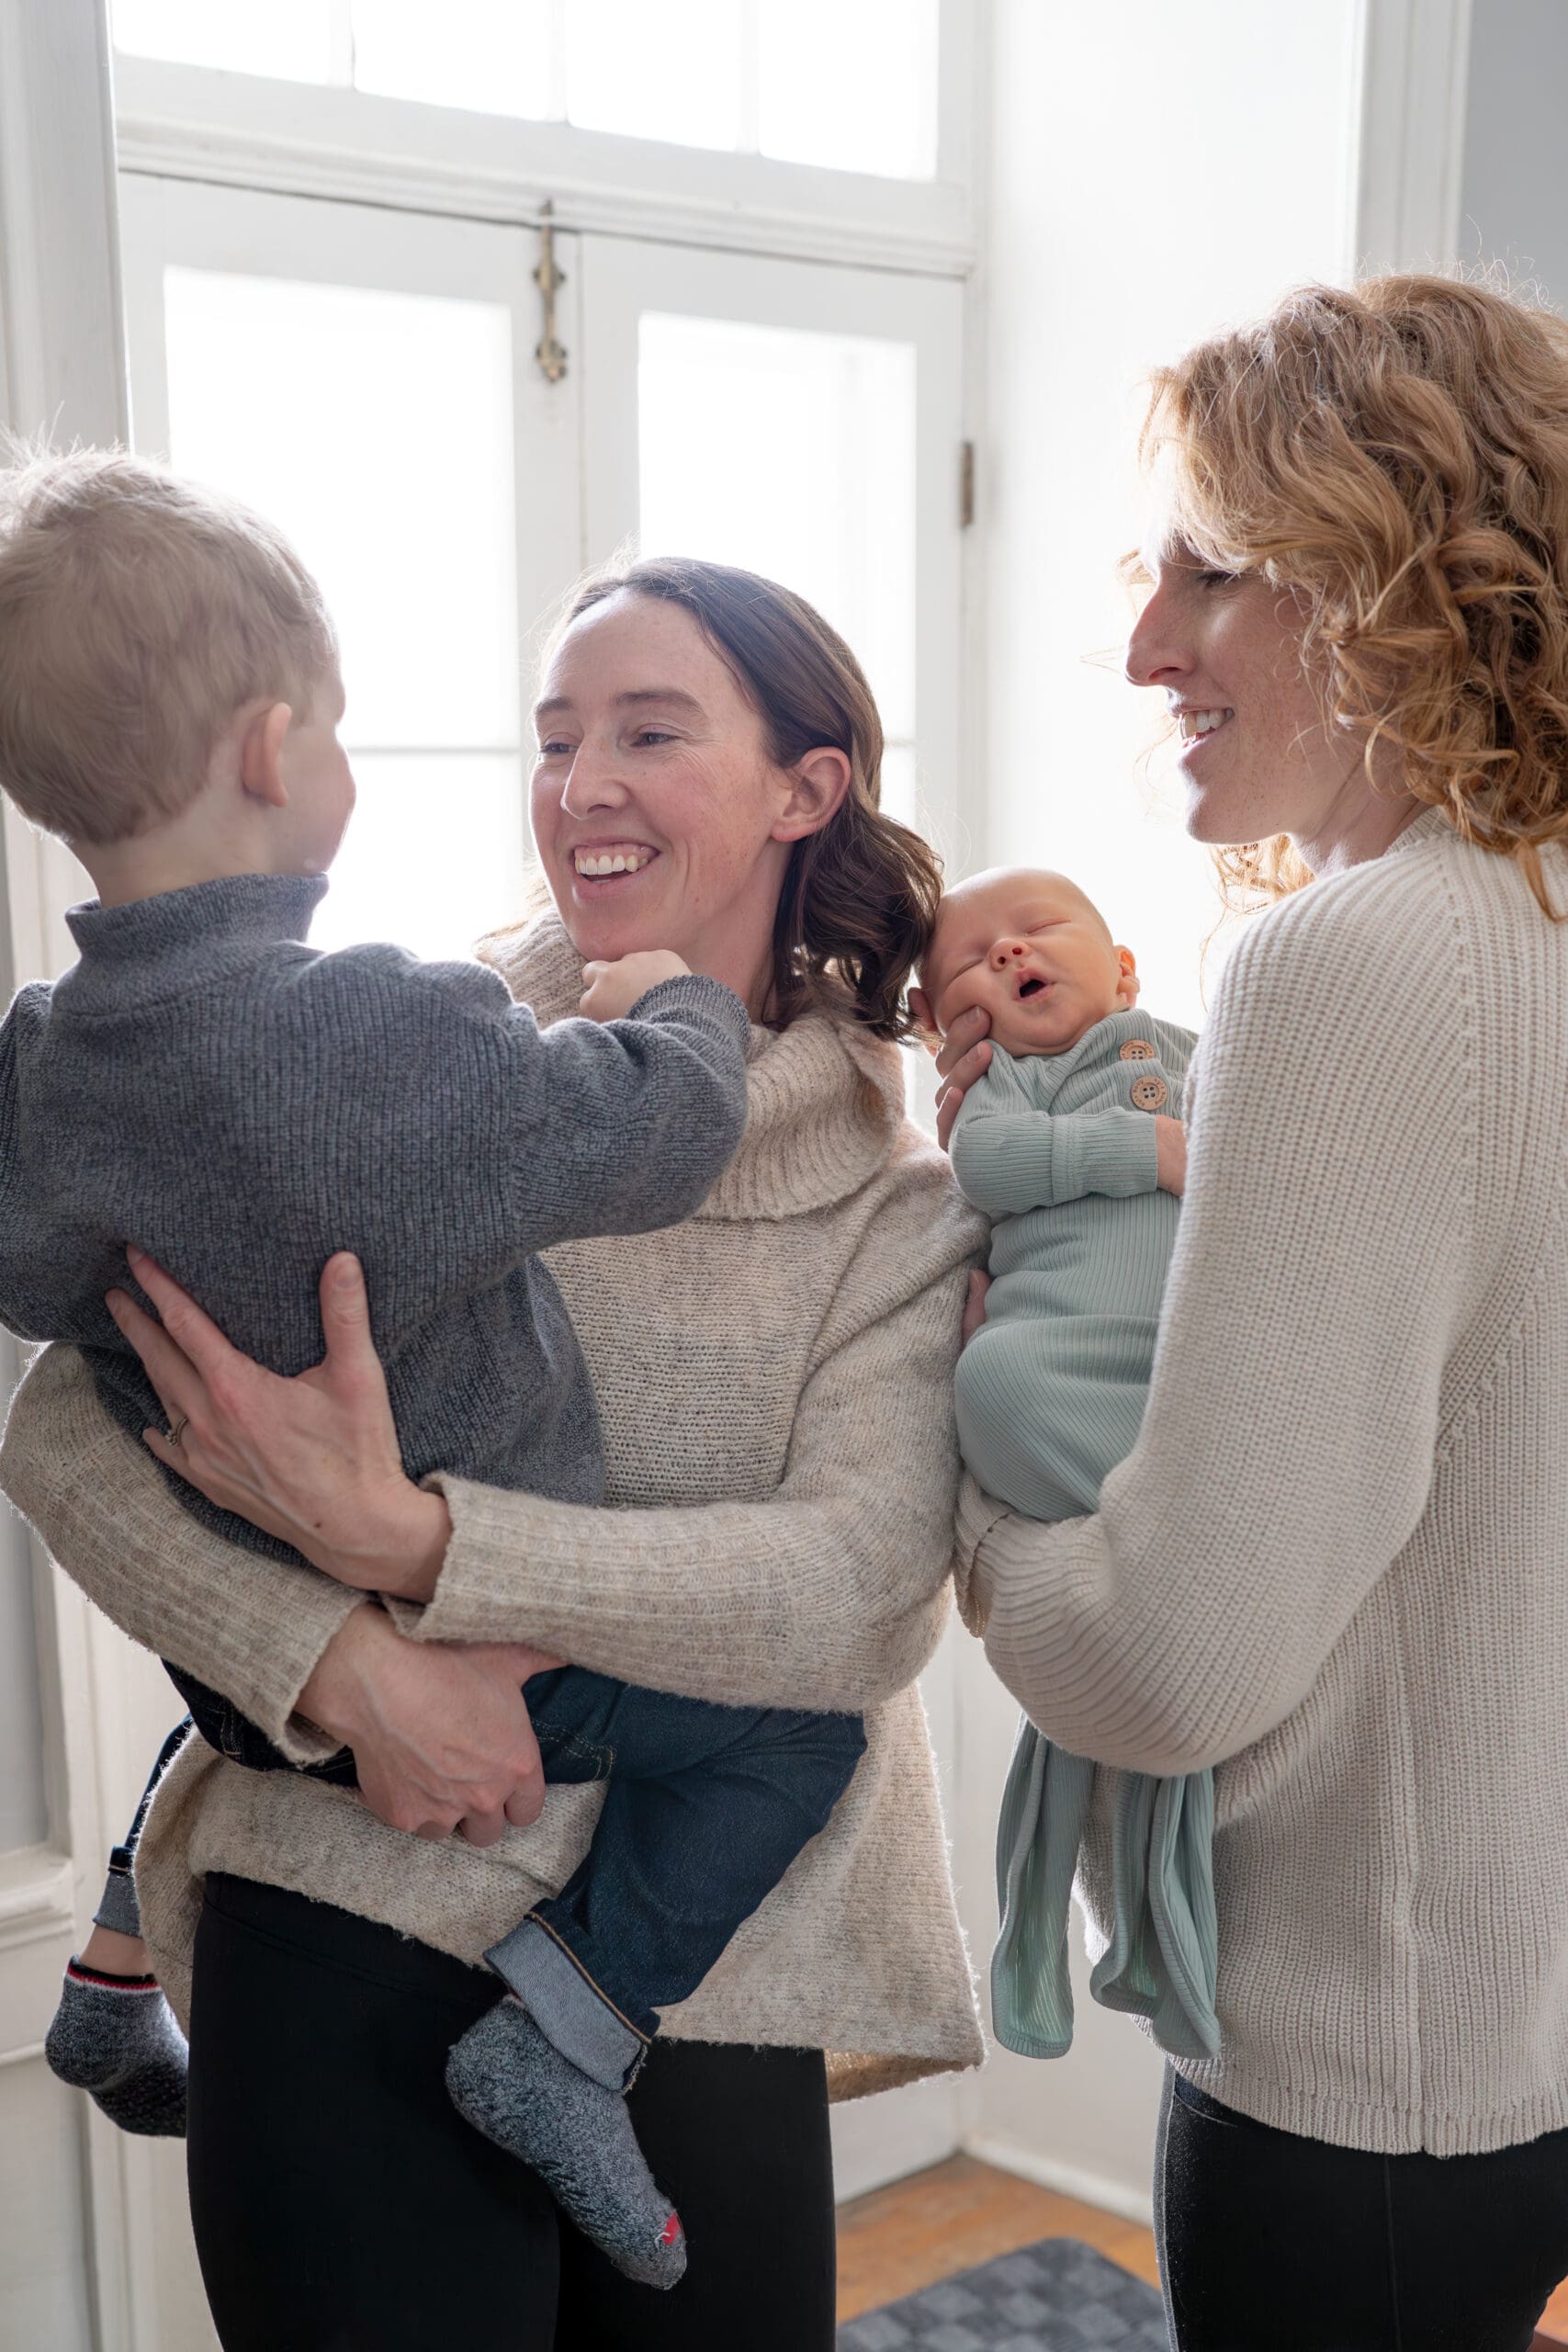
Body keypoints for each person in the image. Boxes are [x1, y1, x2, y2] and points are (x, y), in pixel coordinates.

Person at [1, 549, 986, 2352]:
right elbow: (69, 1417)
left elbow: (851, 1594)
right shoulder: (397, 1051)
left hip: (700, 1980)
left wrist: (425, 1540)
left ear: (803, 787)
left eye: (647, 729)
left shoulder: (892, 1195)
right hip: (339, 1909)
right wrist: (346, 1664)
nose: (580, 783)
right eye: (553, 736)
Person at [931, 275, 1568, 2351]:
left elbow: (1160, 1657)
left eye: (1210, 573)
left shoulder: (1360, 966)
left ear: (1382, 575)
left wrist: (964, 1465)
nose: (1143, 645)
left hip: (1364, 2093)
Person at [912, 866, 1216, 2073]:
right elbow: (994, 1173)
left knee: (1148, 1726)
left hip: (1184, 1376)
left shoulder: (1199, 1042)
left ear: (1128, 966)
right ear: (953, 1030)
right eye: (969, 968)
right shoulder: (1001, 1092)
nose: (1005, 957)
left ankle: (1147, 1933)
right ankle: (1137, 1565)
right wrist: (1148, 1149)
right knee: (989, 1384)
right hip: (1061, 1374)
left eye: (1035, 932)